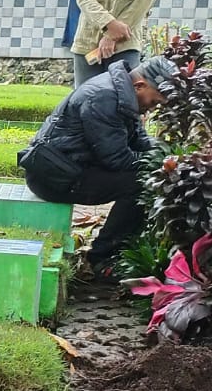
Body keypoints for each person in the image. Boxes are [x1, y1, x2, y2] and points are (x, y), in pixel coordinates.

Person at [18, 56, 177, 279]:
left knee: (149, 174)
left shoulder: (120, 92)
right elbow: (117, 159)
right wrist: (162, 163)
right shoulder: (103, 98)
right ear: (140, 85)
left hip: (71, 168)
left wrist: (169, 154)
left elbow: (139, 141)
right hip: (53, 179)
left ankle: (122, 249)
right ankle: (102, 258)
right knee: (141, 184)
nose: (150, 110)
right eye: (154, 103)